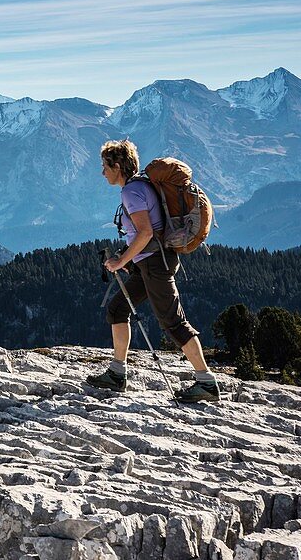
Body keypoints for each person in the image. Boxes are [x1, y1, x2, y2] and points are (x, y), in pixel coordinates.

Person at [86, 139, 220, 403]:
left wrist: (120, 260)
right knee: (117, 309)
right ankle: (116, 373)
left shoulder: (131, 192)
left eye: (104, 166)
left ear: (116, 166)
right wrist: (127, 259)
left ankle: (206, 382)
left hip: (155, 263)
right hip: (150, 262)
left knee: (173, 322)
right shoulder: (141, 186)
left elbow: (146, 233)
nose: (102, 172)